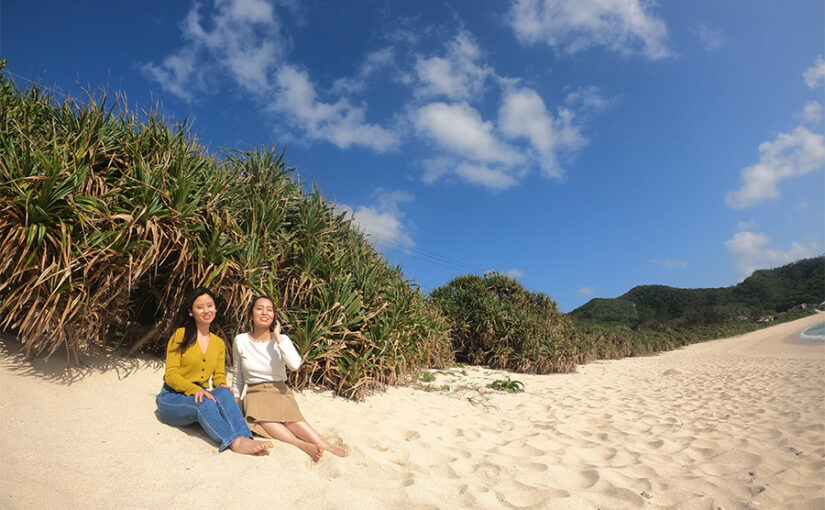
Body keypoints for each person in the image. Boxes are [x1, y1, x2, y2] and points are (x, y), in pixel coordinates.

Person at [156, 287, 272, 456]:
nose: (206, 310)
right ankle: (234, 441)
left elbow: (218, 376)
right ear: (191, 311)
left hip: (201, 395)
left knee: (224, 393)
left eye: (209, 305)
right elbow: (171, 375)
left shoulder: (218, 343)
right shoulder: (180, 335)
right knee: (204, 402)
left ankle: (246, 437)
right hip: (172, 398)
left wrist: (223, 385)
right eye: (200, 307)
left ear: (215, 308)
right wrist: (194, 389)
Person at [232, 296, 349, 461]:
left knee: (291, 420)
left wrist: (278, 338)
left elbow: (295, 365)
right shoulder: (241, 340)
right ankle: (300, 444)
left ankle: (325, 445)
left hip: (279, 390)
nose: (264, 312)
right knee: (264, 419)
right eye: (259, 308)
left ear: (274, 316)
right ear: (251, 315)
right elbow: (238, 376)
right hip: (255, 392)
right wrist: (235, 403)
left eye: (269, 309)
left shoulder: (283, 340)